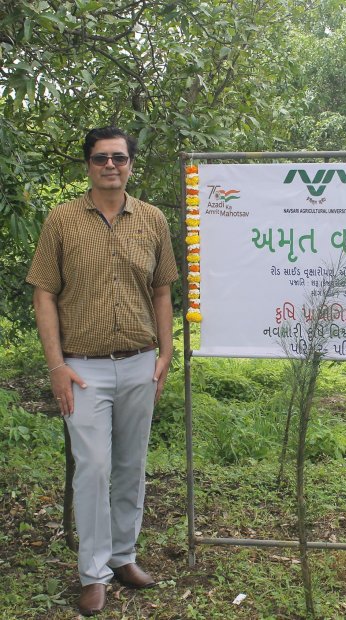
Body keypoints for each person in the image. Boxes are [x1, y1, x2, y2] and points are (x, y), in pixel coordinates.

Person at [26, 126, 179, 616]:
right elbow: (44, 292)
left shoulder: (152, 220)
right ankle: (92, 573)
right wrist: (56, 366)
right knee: (93, 468)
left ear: (132, 163)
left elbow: (162, 289)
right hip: (82, 371)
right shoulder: (62, 220)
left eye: (118, 157)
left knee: (131, 467)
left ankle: (122, 557)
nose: (109, 165)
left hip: (139, 365)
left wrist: (165, 352)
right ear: (87, 164)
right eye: (99, 158)